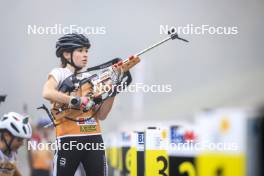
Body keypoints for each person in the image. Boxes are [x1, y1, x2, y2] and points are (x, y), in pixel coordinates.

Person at [42, 33, 139, 176]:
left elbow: (102, 114)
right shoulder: (60, 73)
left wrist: (112, 88)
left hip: (94, 138)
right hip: (68, 140)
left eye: (86, 51)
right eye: (80, 51)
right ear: (67, 54)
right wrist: (75, 100)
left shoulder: (91, 78)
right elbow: (47, 92)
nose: (85, 55)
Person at [0, 112, 32, 176]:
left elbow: (13, 171)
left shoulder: (11, 153)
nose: (22, 143)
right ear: (6, 136)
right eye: (19, 139)